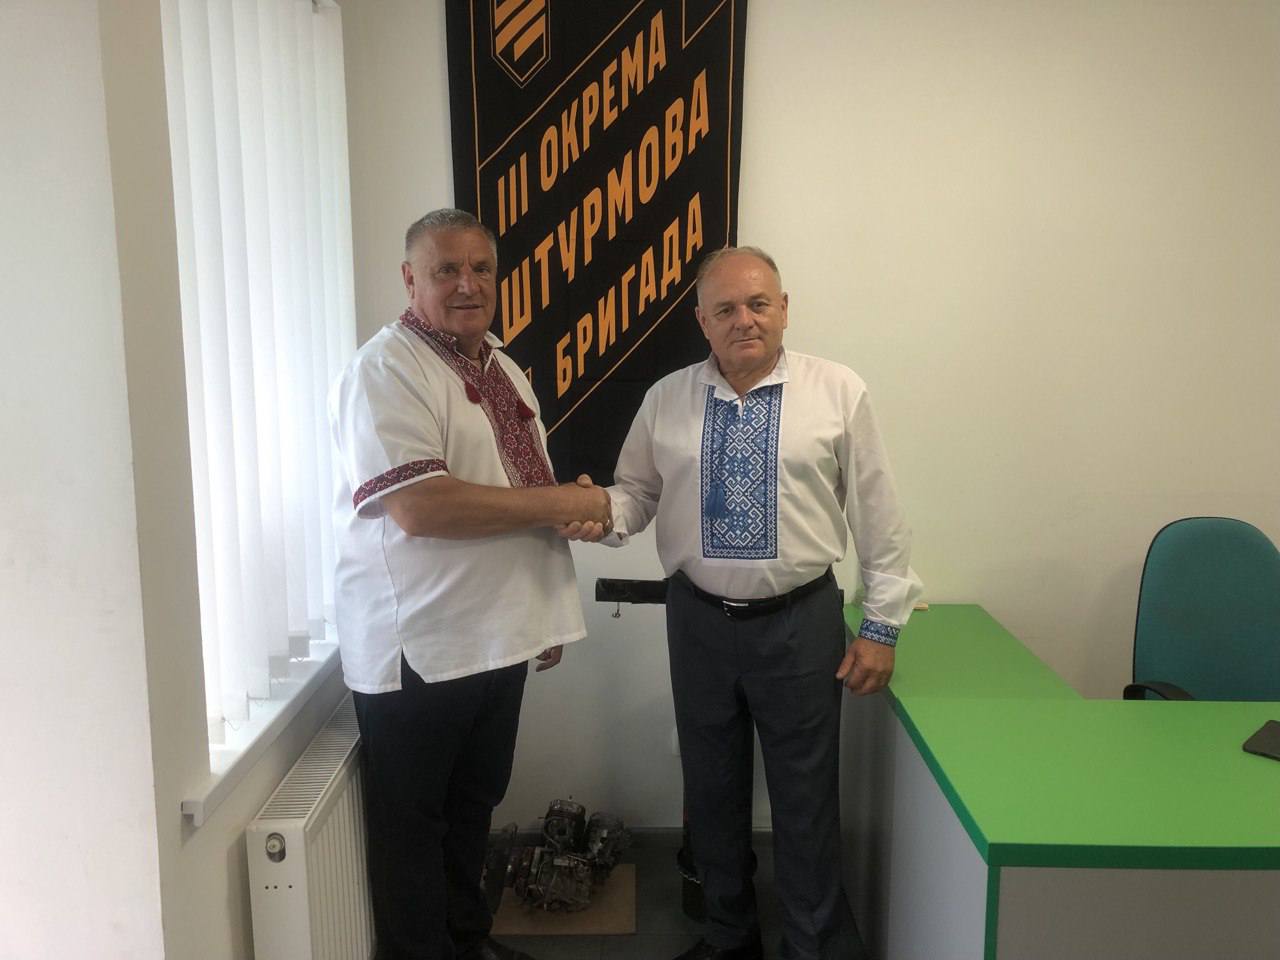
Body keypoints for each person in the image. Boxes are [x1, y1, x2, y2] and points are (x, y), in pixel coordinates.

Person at [561, 246, 922, 960]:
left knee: (805, 800)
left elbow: (878, 514)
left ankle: (814, 945)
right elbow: (636, 495)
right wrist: (597, 513)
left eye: (759, 304)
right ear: (702, 321)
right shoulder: (666, 398)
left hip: (800, 623)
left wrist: (882, 626)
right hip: (696, 621)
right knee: (712, 793)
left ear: (784, 308)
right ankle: (729, 941)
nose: (744, 320)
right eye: (725, 309)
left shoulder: (837, 390)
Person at [329, 208, 611, 960]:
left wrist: (542, 610)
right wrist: (562, 502)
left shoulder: (503, 366)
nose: (467, 284)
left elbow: (519, 490)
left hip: (496, 636)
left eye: (481, 268)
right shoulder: (385, 369)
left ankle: (468, 938)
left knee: (475, 804)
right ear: (409, 278)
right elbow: (422, 507)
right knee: (414, 826)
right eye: (446, 269)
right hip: (422, 646)